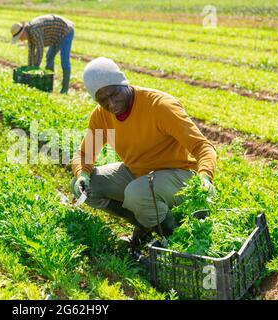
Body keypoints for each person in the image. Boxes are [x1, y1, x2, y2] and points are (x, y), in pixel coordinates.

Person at [71, 57, 217, 244]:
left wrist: (205, 177)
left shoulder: (160, 106)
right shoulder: (102, 116)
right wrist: (83, 174)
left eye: (114, 94)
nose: (112, 104)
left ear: (123, 82)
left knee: (137, 194)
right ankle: (145, 224)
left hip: (179, 175)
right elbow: (84, 154)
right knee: (83, 186)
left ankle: (178, 239)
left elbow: (203, 147)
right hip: (138, 173)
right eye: (103, 100)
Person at [10, 15, 75, 94]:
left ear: (23, 32)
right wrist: (30, 69)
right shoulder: (29, 34)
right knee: (49, 57)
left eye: (19, 37)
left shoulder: (34, 31)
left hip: (65, 31)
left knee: (64, 60)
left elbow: (40, 51)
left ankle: (65, 89)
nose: (20, 40)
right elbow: (31, 53)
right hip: (55, 35)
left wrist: (35, 69)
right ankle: (49, 84)